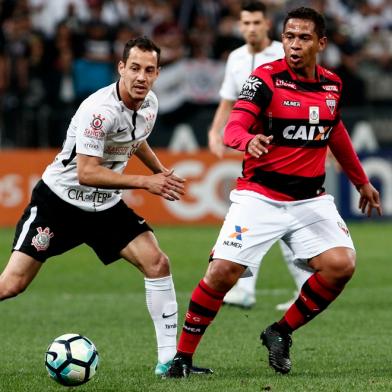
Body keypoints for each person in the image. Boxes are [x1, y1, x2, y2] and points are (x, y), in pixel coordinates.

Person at [166, 7, 382, 378]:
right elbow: (233, 126)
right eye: (289, 37)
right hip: (260, 196)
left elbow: (336, 132)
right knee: (221, 272)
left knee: (341, 265)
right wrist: (248, 140)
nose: (294, 45)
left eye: (303, 38)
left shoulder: (332, 84)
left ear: (321, 43)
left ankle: (279, 331)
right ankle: (182, 358)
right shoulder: (264, 79)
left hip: (310, 199)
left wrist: (360, 180)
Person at [0, 36, 186, 377]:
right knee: (11, 285)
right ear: (120, 68)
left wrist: (160, 171)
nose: (141, 77)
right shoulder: (98, 111)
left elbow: (136, 139)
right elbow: (86, 173)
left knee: (157, 263)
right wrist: (147, 183)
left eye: (149, 70)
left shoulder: (149, 104)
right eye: (134, 69)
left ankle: (169, 362)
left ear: (158, 73)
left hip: (105, 207)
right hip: (59, 203)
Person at [208, 0, 311, 311]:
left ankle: (288, 287)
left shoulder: (286, 52)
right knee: (256, 217)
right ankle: (250, 289)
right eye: (246, 23)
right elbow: (228, 101)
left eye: (256, 23)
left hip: (286, 147)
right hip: (252, 145)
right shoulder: (236, 59)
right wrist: (216, 131)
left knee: (272, 219)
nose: (251, 28)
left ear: (267, 25)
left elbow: (310, 94)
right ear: (240, 26)